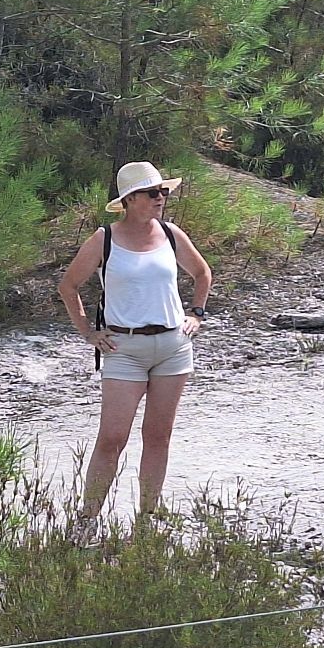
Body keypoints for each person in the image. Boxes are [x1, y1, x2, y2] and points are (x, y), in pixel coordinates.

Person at [57, 161, 213, 534]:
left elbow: (202, 273)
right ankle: (86, 520)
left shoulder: (171, 233)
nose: (161, 198)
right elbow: (68, 286)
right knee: (112, 438)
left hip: (172, 347)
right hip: (123, 349)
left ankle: (147, 519)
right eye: (152, 193)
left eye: (163, 192)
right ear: (129, 200)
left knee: (158, 435)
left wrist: (196, 314)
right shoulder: (104, 239)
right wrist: (88, 332)